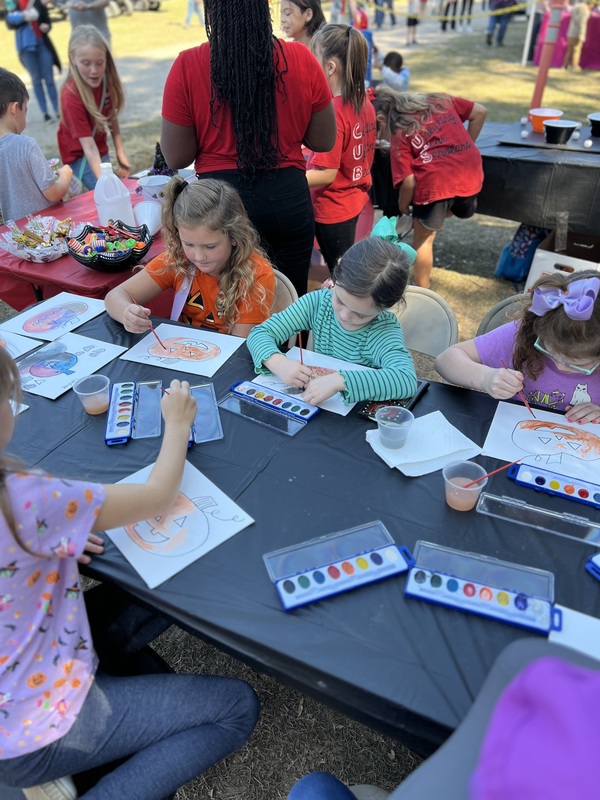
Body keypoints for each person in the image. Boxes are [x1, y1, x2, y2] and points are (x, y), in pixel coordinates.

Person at [0, 348, 260, 799]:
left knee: (144, 594)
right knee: (236, 707)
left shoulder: (28, 510)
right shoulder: (27, 500)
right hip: (32, 732)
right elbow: (158, 496)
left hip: (27, 678)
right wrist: (177, 424)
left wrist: (47, 542)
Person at [160, 0, 336, 298]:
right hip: (286, 203)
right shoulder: (300, 58)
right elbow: (323, 140)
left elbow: (177, 156)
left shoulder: (188, 65)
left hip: (219, 207)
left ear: (211, 9)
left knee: (229, 307)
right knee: (288, 306)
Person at [247, 236, 418, 407]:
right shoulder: (317, 303)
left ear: (386, 306)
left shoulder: (383, 330)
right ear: (337, 271)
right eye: (340, 301)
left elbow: (406, 379)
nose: (344, 316)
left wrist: (341, 381)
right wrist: (279, 363)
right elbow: (260, 333)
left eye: (360, 315)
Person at [105, 177, 276, 338]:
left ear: (234, 237)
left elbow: (240, 345)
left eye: (210, 246)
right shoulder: (179, 259)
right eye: (188, 244)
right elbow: (115, 296)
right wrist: (126, 312)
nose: (199, 257)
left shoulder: (255, 274)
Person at [435, 271, 600, 421]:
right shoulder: (526, 334)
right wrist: (485, 378)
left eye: (576, 364)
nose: (559, 365)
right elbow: (445, 360)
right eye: (549, 352)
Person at [372, 86, 486, 288]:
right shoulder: (439, 100)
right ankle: (427, 223)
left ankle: (424, 292)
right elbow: (480, 112)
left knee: (423, 239)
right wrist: (465, 147)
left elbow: (409, 182)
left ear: (381, 119)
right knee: (435, 217)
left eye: (376, 132)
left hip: (436, 185)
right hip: (471, 176)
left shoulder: (400, 132)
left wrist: (402, 206)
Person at [306, 24, 377, 275]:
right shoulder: (362, 100)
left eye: (313, 59)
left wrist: (288, 181)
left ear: (330, 67)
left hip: (332, 210)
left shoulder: (334, 112)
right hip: (353, 201)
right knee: (345, 271)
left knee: (342, 277)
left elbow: (326, 173)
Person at [57, 25, 130, 191]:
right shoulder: (70, 96)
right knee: (104, 191)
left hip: (99, 148)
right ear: (72, 59)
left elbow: (112, 118)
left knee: (111, 189)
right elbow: (88, 146)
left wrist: (120, 153)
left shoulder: (106, 83)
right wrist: (104, 183)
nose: (94, 70)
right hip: (79, 156)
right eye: (86, 63)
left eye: (99, 63)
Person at [0, 69, 72, 222]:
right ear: (14, 109)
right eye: (25, 111)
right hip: (45, 229)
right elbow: (53, 193)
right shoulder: (26, 145)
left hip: (15, 233)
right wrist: (65, 175)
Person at [6, 0, 61, 122]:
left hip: (42, 43)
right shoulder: (14, 3)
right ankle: (45, 112)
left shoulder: (37, 2)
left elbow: (46, 19)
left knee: (49, 78)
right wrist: (24, 17)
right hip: (26, 45)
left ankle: (57, 109)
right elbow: (10, 23)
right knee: (36, 79)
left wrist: (46, 26)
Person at [563, 0, 592, 70]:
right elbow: (582, 23)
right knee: (577, 50)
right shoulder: (585, 10)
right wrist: (582, 35)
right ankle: (575, 66)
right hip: (577, 33)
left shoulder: (575, 8)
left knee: (570, 50)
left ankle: (565, 65)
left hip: (571, 32)